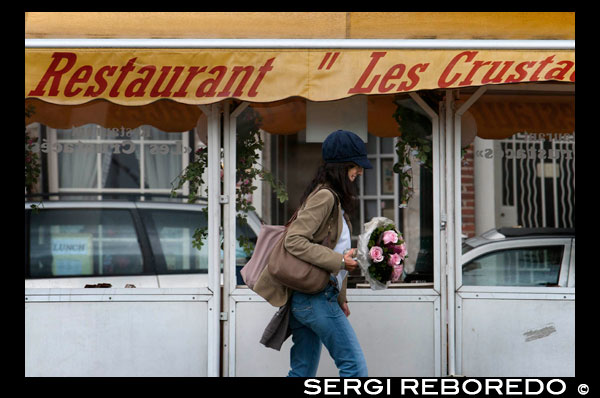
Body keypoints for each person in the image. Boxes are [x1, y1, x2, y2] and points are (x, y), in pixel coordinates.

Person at [262, 129, 371, 377]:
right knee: (355, 370)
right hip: (316, 298)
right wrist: (340, 261)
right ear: (343, 166)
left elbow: (331, 249)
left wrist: (342, 296)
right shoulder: (325, 197)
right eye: (356, 166)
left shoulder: (330, 197)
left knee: (302, 373)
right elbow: (294, 240)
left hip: (307, 299)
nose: (360, 172)